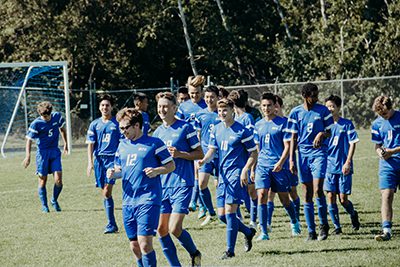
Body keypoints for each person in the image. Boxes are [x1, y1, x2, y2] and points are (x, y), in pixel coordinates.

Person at [107, 108, 175, 267]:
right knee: (135, 245)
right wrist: (113, 172)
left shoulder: (154, 143)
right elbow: (120, 170)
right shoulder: (122, 145)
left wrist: (157, 171)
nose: (123, 132)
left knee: (145, 243)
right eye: (121, 128)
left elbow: (171, 165)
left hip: (148, 199)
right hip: (128, 201)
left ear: (136, 125)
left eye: (125, 128)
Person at [199, 98, 257, 260]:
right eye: (219, 111)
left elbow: (253, 152)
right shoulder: (216, 129)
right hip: (222, 175)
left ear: (232, 110)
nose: (222, 113)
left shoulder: (242, 131)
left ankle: (230, 251)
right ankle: (247, 231)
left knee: (230, 214)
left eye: (225, 110)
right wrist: (204, 160)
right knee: (222, 216)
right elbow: (212, 150)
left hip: (236, 176)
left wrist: (245, 169)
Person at [152, 92, 203, 266]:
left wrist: (180, 154)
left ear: (174, 108)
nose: (162, 109)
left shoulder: (185, 128)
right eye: (159, 106)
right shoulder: (157, 133)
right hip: (163, 186)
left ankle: (194, 253)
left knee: (174, 228)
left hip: (182, 183)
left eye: (166, 106)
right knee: (161, 229)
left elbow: (199, 153)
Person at [287, 83, 334, 241]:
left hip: (319, 153)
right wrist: (292, 159)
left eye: (316, 95)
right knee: (306, 193)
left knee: (317, 189)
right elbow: (293, 137)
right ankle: (311, 231)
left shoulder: (323, 110)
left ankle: (323, 225)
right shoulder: (296, 112)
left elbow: (330, 131)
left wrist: (321, 134)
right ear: (304, 96)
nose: (315, 98)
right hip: (303, 155)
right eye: (312, 95)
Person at [254, 92, 301, 241]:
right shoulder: (258, 124)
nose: (266, 108)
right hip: (263, 166)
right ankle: (264, 231)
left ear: (275, 106)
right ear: (260, 107)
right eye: (264, 106)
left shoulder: (283, 123)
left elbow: (288, 146)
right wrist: (254, 167)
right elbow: (257, 149)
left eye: (269, 105)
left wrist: (281, 163)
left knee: (284, 199)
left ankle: (294, 222)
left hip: (279, 167)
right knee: (262, 195)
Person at [324, 95, 361, 234]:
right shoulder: (323, 125)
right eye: (327, 106)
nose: (330, 109)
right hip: (328, 166)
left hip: (343, 166)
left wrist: (348, 162)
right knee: (330, 196)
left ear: (338, 108)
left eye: (332, 106)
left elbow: (353, 143)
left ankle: (353, 214)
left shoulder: (346, 124)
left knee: (343, 199)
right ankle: (337, 227)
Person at [23, 101, 68, 213]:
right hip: (42, 154)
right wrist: (28, 156)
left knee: (58, 180)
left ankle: (54, 200)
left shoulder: (57, 117)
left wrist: (66, 143)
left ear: (51, 113)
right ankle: (44, 206)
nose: (45, 118)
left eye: (47, 116)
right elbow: (29, 140)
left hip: (54, 152)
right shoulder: (36, 123)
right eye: (43, 116)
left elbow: (62, 129)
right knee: (43, 180)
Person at [265, 95, 302, 231]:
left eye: (274, 106)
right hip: (272, 165)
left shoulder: (287, 123)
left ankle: (295, 219)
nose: (272, 109)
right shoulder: (265, 123)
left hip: (288, 164)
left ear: (278, 106)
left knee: (291, 193)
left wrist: (289, 160)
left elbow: (293, 144)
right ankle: (267, 224)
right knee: (269, 193)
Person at [86, 94, 122, 234]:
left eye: (107, 105)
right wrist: (90, 162)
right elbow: (91, 144)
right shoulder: (94, 124)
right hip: (99, 160)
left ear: (111, 107)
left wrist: (119, 161)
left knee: (107, 190)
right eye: (102, 105)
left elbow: (123, 143)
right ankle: (112, 224)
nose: (104, 107)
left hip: (112, 160)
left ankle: (111, 224)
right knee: (105, 193)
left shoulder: (117, 124)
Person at [177, 75, 207, 218]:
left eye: (197, 92)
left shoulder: (206, 105)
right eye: (192, 93)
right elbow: (177, 124)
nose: (194, 95)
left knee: (205, 177)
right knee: (195, 174)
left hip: (206, 144)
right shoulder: (183, 107)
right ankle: (200, 205)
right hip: (189, 145)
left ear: (202, 91)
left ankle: (201, 205)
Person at [371, 96, 400, 241]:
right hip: (387, 165)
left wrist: (392, 151)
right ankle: (386, 231)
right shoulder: (376, 124)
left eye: (385, 113)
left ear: (391, 107)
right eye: (380, 114)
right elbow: (377, 145)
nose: (383, 116)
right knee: (386, 196)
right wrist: (381, 153)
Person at [228, 90, 257, 228]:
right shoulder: (234, 119)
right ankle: (239, 216)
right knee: (240, 189)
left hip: (247, 158)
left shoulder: (247, 118)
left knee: (250, 190)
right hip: (237, 160)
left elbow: (251, 143)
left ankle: (253, 219)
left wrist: (252, 167)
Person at [194, 85, 220, 226]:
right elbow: (198, 135)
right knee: (201, 183)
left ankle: (232, 213)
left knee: (220, 185)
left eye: (212, 97)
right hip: (205, 155)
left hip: (220, 155)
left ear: (218, 98)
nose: (209, 99)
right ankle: (211, 212)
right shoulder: (200, 114)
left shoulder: (222, 113)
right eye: (207, 97)